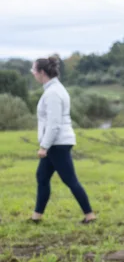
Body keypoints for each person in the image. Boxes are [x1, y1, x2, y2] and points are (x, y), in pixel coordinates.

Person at [29, 56, 96, 225]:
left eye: (34, 70)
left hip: (57, 143)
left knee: (70, 180)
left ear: (42, 72)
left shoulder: (53, 93)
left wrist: (44, 146)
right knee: (42, 177)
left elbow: (54, 123)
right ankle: (36, 217)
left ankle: (90, 215)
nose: (32, 73)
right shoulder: (54, 89)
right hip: (56, 143)